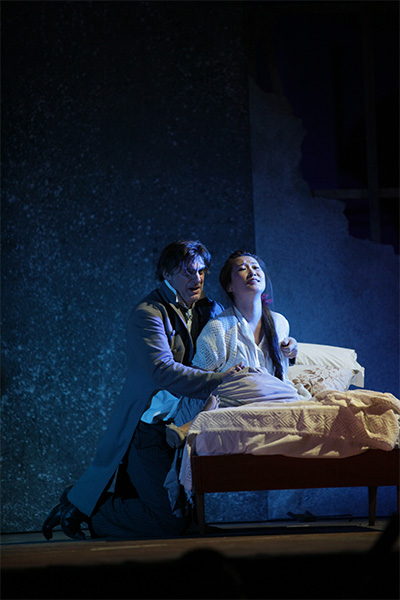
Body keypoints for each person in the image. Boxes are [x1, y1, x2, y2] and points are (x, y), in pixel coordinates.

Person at [42, 240, 243, 541]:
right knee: (170, 522)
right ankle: (88, 511)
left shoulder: (207, 309)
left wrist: (288, 349)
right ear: (166, 273)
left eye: (201, 271)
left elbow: (241, 335)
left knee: (180, 517)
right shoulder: (148, 313)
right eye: (187, 272)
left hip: (184, 422)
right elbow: (162, 369)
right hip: (150, 428)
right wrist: (218, 380)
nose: (197, 279)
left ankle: (85, 502)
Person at [165, 250, 307, 447]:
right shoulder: (219, 328)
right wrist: (228, 378)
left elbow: (280, 374)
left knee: (275, 386)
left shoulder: (279, 323)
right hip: (233, 400)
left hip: (274, 400)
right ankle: (199, 419)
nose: (252, 271)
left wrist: (291, 353)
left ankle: (202, 419)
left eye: (256, 267)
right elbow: (199, 379)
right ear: (230, 286)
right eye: (242, 269)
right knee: (248, 378)